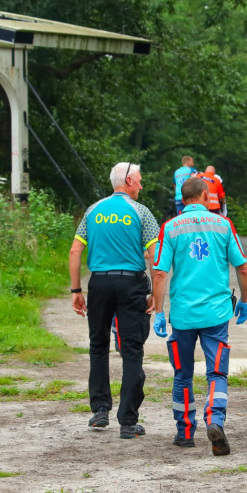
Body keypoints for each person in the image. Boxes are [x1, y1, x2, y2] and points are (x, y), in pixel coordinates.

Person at [152, 177, 247, 456]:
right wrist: (244, 301)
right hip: (216, 315)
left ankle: (184, 433)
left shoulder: (169, 228)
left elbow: (160, 273)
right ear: (206, 196)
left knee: (182, 375)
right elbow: (243, 268)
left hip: (183, 316)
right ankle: (215, 420)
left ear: (183, 200)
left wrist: (159, 313)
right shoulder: (223, 225)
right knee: (216, 372)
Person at [69, 162, 160, 439]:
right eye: (140, 181)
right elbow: (154, 256)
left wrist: (76, 291)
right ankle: (128, 422)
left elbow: (75, 251)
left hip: (99, 282)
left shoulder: (93, 210)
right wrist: (157, 293)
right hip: (130, 283)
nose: (142, 186)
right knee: (131, 349)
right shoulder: (140, 212)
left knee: (98, 346)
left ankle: (99, 411)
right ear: (129, 180)